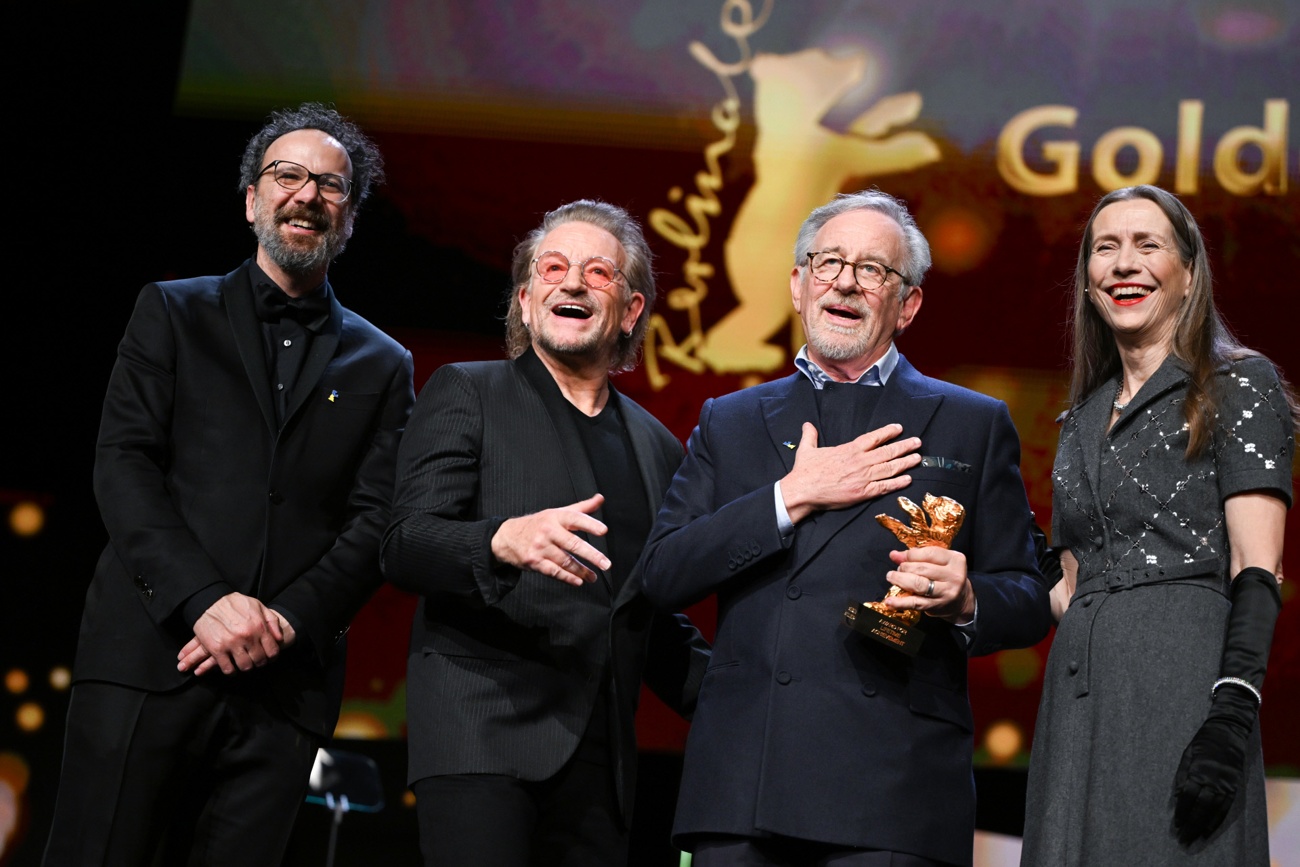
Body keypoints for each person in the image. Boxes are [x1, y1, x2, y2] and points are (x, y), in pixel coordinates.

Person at [44, 103, 415, 866]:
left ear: (349, 219)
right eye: (287, 175)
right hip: (148, 659)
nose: (307, 194)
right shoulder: (172, 311)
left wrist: (281, 622)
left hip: (283, 691)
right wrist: (205, 601)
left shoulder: (384, 364)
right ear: (252, 199)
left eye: (331, 185)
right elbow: (123, 464)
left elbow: (378, 518)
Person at [639, 189, 1053, 866]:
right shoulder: (731, 419)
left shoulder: (971, 422)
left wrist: (969, 597)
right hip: (746, 784)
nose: (846, 282)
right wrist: (790, 495)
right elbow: (662, 573)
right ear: (799, 285)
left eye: (873, 269)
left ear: (908, 303)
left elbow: (1029, 597)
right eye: (828, 262)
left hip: (894, 787)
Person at [382, 199, 709, 867]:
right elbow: (404, 542)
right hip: (483, 740)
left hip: (600, 768)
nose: (574, 282)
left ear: (632, 309)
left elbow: (648, 614)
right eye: (554, 268)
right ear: (527, 301)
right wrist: (500, 540)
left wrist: (762, 693)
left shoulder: (659, 448)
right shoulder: (468, 392)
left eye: (599, 271)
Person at [1021, 185, 1295, 865]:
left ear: (1188, 274)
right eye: (1106, 248)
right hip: (1077, 704)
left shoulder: (1238, 383)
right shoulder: (1081, 418)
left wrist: (1231, 713)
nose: (1124, 263)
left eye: (1148, 245)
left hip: (1179, 692)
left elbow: (1257, 569)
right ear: (1086, 281)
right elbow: (1071, 588)